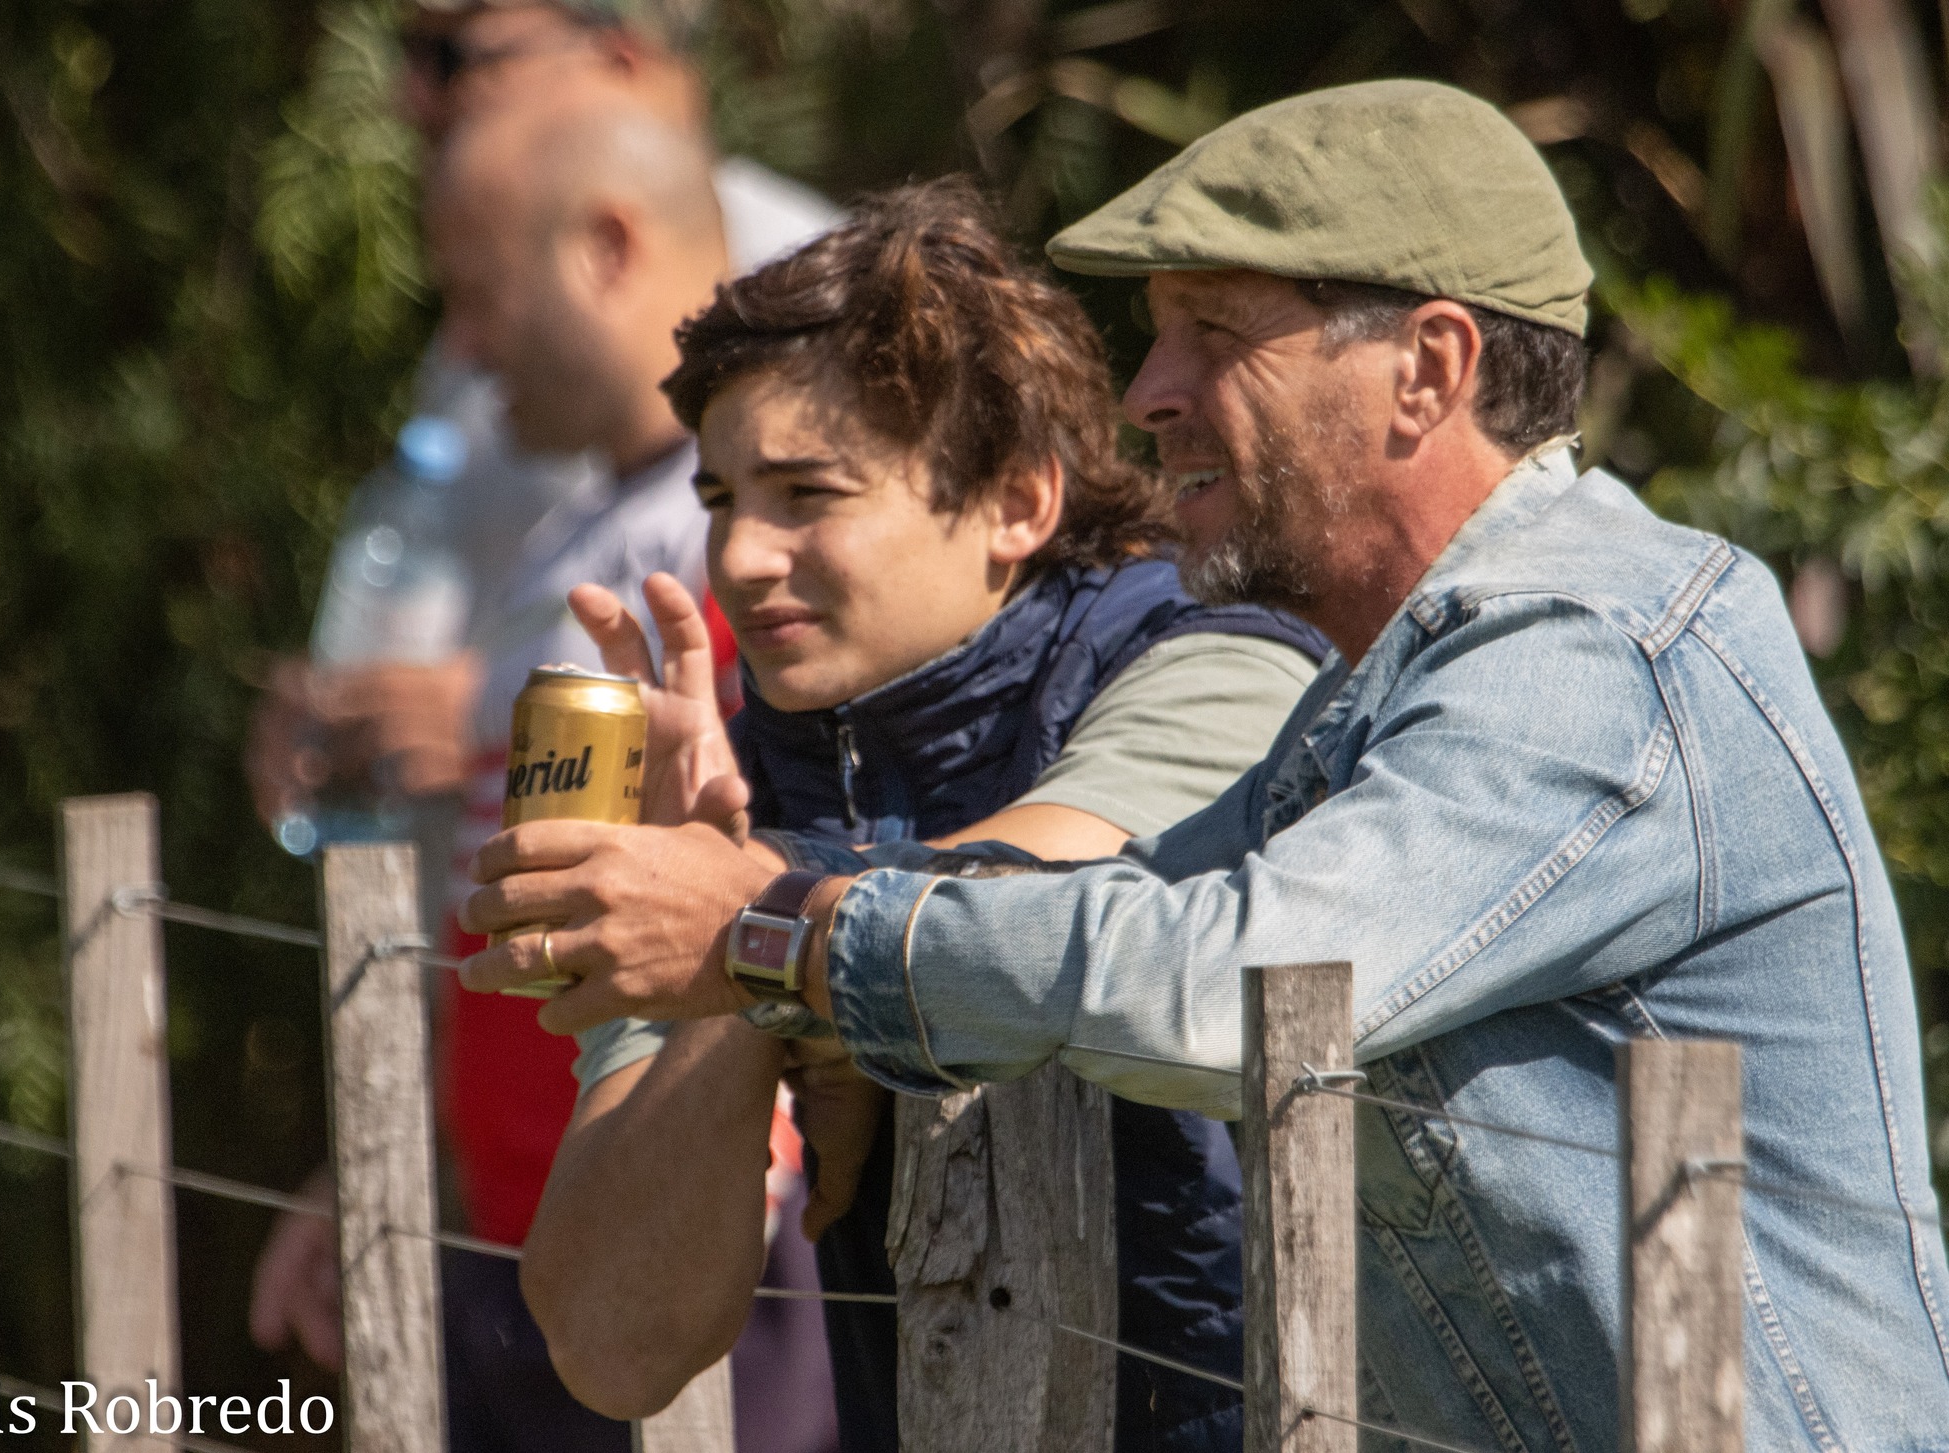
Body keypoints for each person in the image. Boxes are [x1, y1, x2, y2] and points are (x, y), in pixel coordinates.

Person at [457, 79, 1949, 1452]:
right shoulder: (1382, 694)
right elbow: (1118, 901)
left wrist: (765, 931)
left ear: (1430, 368)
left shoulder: (1596, 656)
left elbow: (1223, 980)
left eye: (1214, 333)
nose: (1149, 389)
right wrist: (802, 993)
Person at [497, 180, 1326, 1448]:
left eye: (807, 493)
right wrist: (756, 964)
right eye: (721, 500)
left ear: (1015, 502)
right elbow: (614, 1342)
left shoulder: (1223, 666)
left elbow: (1017, 903)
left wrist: (748, 929)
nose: (741, 556)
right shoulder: (745, 794)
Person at [243, 6, 839, 1451]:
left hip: (712, 1254)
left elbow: (772, 866)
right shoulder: (560, 531)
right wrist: (397, 1150)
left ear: (609, 247)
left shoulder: (761, 545)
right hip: (526, 1231)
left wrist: (725, 1195)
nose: (464, 340)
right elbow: (509, 902)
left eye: (480, 288)